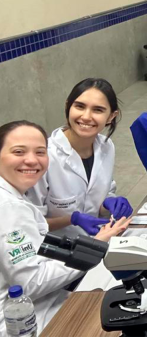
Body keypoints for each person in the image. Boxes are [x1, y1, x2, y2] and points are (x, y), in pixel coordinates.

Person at [0, 120, 129, 334]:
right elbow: (31, 283)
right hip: (22, 319)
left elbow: (33, 233)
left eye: (40, 152)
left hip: (43, 294)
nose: (31, 160)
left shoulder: (12, 197)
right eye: (18, 151)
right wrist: (93, 248)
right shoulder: (10, 207)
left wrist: (79, 219)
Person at [26, 78, 132, 237]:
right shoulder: (44, 157)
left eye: (98, 110)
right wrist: (72, 220)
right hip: (53, 247)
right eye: (80, 106)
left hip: (98, 239)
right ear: (68, 107)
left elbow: (100, 196)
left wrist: (109, 204)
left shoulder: (106, 146)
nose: (86, 117)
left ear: (111, 116)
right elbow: (29, 223)